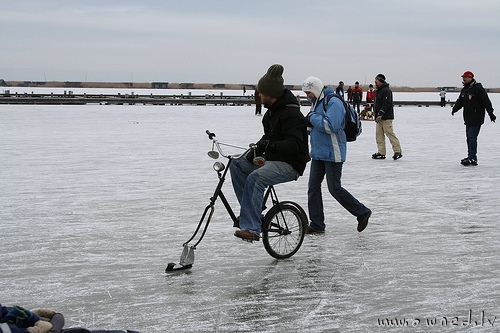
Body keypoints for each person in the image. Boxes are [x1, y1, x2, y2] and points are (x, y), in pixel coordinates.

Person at [230, 64, 310, 241]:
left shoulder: (292, 115)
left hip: (291, 163)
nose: (259, 96)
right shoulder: (270, 114)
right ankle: (250, 212)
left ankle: (252, 228)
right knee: (236, 163)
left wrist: (271, 146)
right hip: (272, 159)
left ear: (271, 95)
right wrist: (256, 151)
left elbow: (296, 144)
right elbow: (268, 137)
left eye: (262, 93)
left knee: (256, 178)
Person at [302, 76, 371, 234]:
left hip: (333, 152)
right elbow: (315, 126)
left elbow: (330, 126)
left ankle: (362, 212)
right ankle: (317, 224)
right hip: (318, 153)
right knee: (313, 188)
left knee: (335, 189)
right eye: (306, 93)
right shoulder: (316, 103)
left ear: (316, 90)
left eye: (309, 92)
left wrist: (311, 118)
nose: (308, 96)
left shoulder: (333, 102)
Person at [452, 71, 495, 166]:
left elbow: (486, 102)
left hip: (476, 118)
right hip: (468, 118)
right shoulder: (465, 90)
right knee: (469, 138)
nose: (464, 79)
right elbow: (460, 101)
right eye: (463, 77)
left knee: (472, 138)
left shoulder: (478, 89)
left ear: (471, 78)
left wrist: (491, 113)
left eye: (466, 77)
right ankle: (470, 156)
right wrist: (455, 109)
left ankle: (473, 157)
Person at [371, 74, 403, 160]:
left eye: (376, 81)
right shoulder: (378, 91)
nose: (375, 83)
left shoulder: (386, 91)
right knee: (379, 135)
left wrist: (381, 113)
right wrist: (376, 114)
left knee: (389, 133)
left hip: (386, 117)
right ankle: (381, 152)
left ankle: (398, 151)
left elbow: (387, 103)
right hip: (379, 118)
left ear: (381, 81)